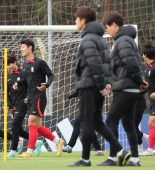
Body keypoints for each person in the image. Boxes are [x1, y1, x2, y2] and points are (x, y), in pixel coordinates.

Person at [67, 7, 131, 167]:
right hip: (96, 86)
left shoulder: (88, 39)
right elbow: (107, 63)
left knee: (87, 122)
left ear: (83, 21)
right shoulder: (100, 38)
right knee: (97, 122)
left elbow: (95, 63)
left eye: (77, 18)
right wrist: (107, 82)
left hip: (89, 86)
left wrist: (103, 85)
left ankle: (85, 159)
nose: (75, 21)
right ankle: (121, 152)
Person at [101, 12, 148, 166]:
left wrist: (139, 80)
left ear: (114, 25)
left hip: (126, 87)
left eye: (107, 27)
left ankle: (115, 156)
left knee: (110, 120)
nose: (107, 31)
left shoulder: (122, 40)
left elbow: (132, 63)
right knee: (129, 124)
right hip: (130, 88)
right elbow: (133, 63)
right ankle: (135, 159)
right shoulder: (126, 40)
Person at [13, 39, 64, 158]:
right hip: (30, 98)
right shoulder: (25, 64)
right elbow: (27, 79)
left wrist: (46, 85)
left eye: (23, 47)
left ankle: (29, 152)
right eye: (21, 47)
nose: (21, 49)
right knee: (38, 127)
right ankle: (58, 142)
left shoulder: (40, 62)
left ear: (30, 48)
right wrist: (18, 83)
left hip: (39, 97)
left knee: (31, 121)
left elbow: (50, 75)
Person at [6, 54, 43, 158]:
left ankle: (12, 152)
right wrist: (10, 105)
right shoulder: (8, 75)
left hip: (23, 104)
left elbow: (32, 86)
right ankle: (37, 143)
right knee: (19, 129)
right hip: (13, 106)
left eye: (9, 65)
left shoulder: (24, 73)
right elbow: (6, 92)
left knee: (14, 127)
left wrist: (28, 97)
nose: (8, 67)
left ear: (15, 63)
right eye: (6, 65)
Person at [62, 90, 104, 156]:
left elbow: (82, 89)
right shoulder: (86, 83)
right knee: (89, 128)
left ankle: (70, 146)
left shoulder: (88, 82)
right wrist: (72, 95)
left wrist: (72, 95)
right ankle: (98, 150)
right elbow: (81, 90)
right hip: (89, 106)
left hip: (89, 107)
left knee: (77, 123)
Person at [141, 42, 155, 156]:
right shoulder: (148, 68)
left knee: (151, 121)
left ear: (144, 55)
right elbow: (148, 85)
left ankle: (150, 150)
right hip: (152, 101)